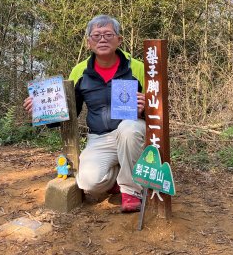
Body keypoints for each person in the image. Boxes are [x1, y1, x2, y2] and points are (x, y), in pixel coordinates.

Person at [24, 14, 146, 213]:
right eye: (96, 35)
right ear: (89, 42)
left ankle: (132, 191)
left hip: (132, 133)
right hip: (99, 138)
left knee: (128, 128)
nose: (103, 39)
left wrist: (146, 109)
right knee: (90, 184)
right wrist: (43, 111)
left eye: (108, 34)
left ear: (119, 40)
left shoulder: (139, 68)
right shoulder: (80, 71)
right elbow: (70, 112)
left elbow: (158, 111)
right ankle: (118, 177)